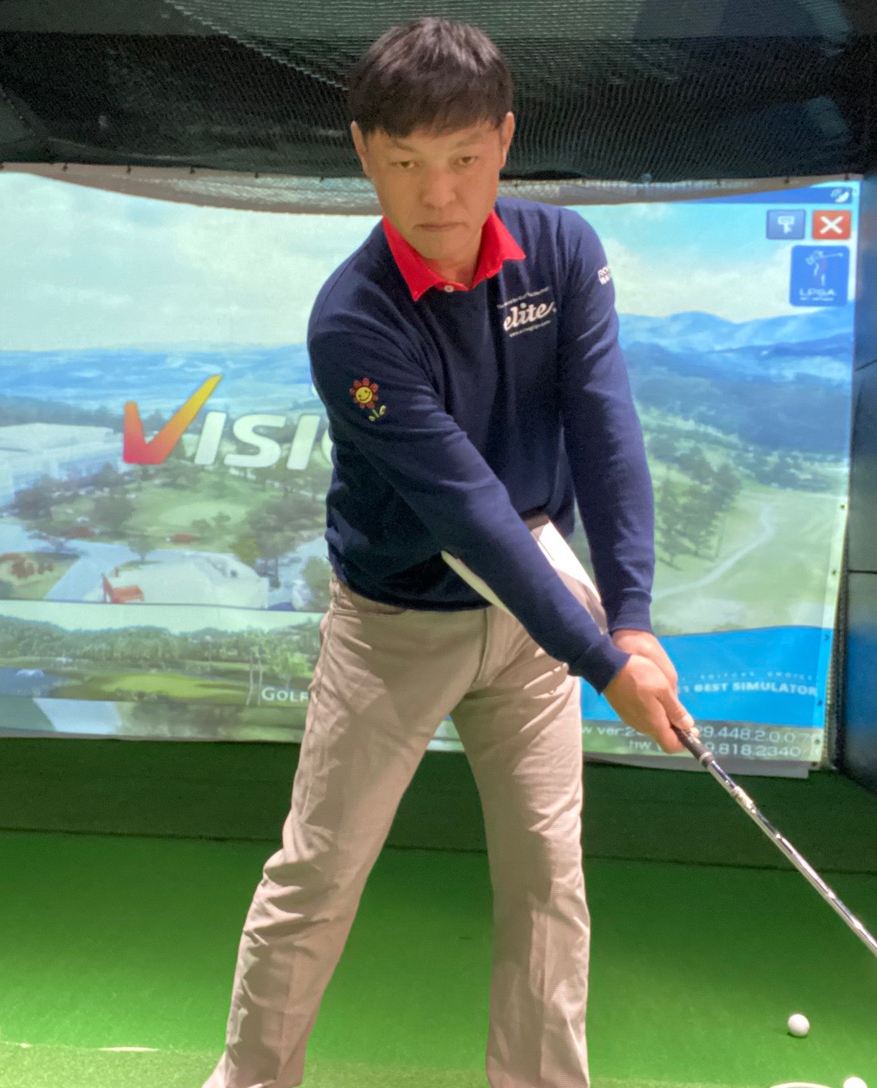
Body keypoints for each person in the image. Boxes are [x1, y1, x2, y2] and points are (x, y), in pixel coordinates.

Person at [201, 17, 691, 1088]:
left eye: (464, 158)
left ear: (504, 139)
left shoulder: (562, 253)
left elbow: (605, 433)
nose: (437, 195)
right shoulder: (352, 321)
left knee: (548, 879)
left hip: (535, 614)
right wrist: (603, 661)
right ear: (362, 151)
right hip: (394, 623)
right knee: (321, 870)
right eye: (405, 163)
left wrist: (632, 618)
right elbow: (466, 510)